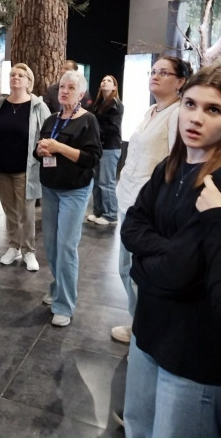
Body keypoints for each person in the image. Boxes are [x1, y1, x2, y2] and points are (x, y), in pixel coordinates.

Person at [121, 63, 221, 438]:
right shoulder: (169, 167)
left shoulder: (217, 187)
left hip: (192, 349)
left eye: (213, 109)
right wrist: (165, 253)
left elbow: (179, 271)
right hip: (148, 330)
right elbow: (132, 226)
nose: (196, 117)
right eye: (190, 104)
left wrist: (143, 263)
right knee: (136, 424)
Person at [111, 55, 191, 344]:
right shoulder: (152, 111)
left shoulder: (177, 114)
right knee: (126, 268)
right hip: (129, 199)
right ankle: (138, 324)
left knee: (140, 271)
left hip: (150, 207)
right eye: (153, 71)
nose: (155, 76)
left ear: (180, 82)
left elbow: (176, 164)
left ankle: (144, 333)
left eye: (164, 73)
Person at [36, 70, 102, 326]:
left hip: (75, 190)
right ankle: (58, 287)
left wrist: (59, 147)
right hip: (50, 187)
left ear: (81, 94)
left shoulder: (88, 121)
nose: (64, 91)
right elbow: (38, 150)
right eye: (62, 87)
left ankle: (64, 304)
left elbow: (91, 158)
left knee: (66, 246)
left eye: (71, 87)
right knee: (51, 245)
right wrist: (41, 150)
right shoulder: (51, 120)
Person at [0, 63, 50, 271]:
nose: (16, 78)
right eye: (13, 74)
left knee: (26, 213)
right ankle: (14, 246)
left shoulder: (37, 106)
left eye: (21, 75)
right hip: (2, 168)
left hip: (25, 169)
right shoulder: (0, 104)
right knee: (10, 210)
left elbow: (48, 134)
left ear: (29, 81)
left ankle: (29, 250)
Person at [87, 75, 124, 225]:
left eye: (109, 81)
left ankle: (111, 215)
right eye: (103, 80)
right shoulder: (97, 103)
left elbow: (113, 128)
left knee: (106, 182)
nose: (105, 82)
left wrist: (95, 129)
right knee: (97, 181)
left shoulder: (116, 104)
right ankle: (98, 211)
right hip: (98, 146)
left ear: (114, 87)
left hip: (110, 147)